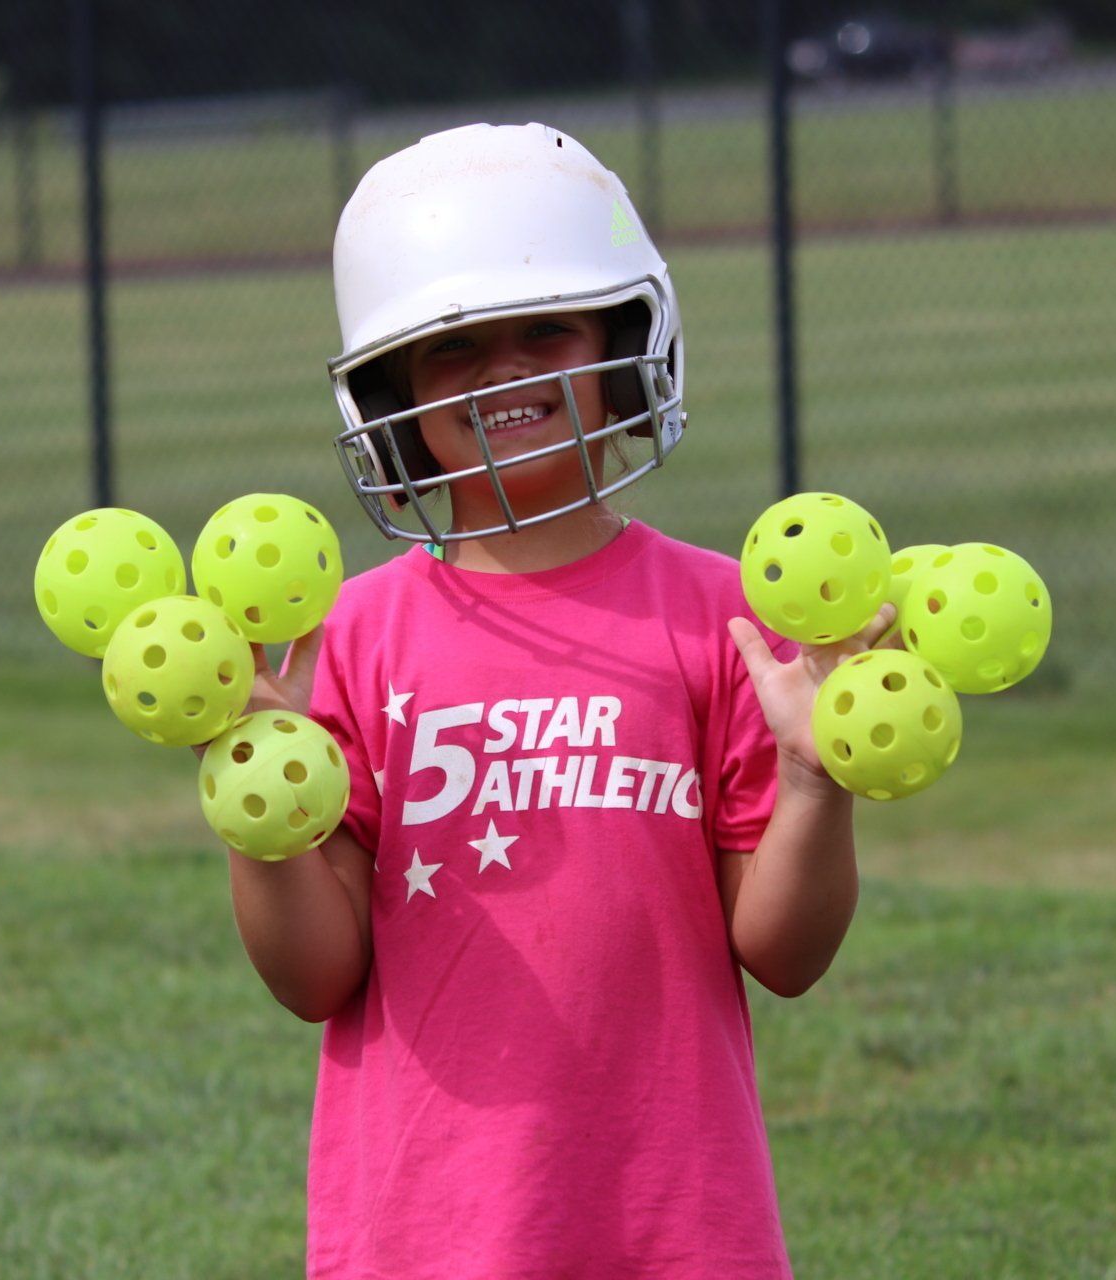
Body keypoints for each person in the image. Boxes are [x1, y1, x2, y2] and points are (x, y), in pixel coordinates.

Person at [228, 122, 893, 1279]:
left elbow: (784, 953)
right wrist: (254, 786)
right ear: (389, 394)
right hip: (432, 1235)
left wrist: (813, 779)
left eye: (548, 329)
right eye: (454, 347)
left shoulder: (728, 620)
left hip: (672, 1228)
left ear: (624, 352)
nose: (507, 371)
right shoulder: (349, 638)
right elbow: (313, 975)